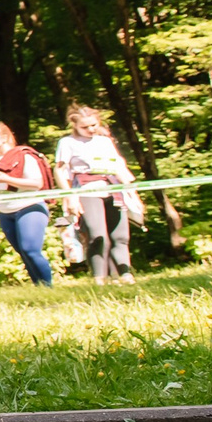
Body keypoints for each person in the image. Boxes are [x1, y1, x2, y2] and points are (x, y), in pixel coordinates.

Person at [54, 104, 137, 286]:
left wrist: (132, 192)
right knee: (98, 235)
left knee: (120, 236)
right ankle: (100, 277)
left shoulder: (104, 141)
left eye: (93, 125)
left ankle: (124, 275)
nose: (91, 129)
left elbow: (119, 166)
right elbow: (60, 170)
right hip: (87, 189)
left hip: (113, 188)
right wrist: (69, 196)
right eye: (85, 127)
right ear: (75, 125)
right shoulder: (67, 143)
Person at [0, 120, 57, 286]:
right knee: (23, 253)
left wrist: (8, 179)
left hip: (29, 207)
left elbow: (37, 184)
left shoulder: (24, 156)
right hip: (5, 212)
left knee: (31, 250)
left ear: (5, 137)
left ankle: (48, 288)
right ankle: (39, 288)